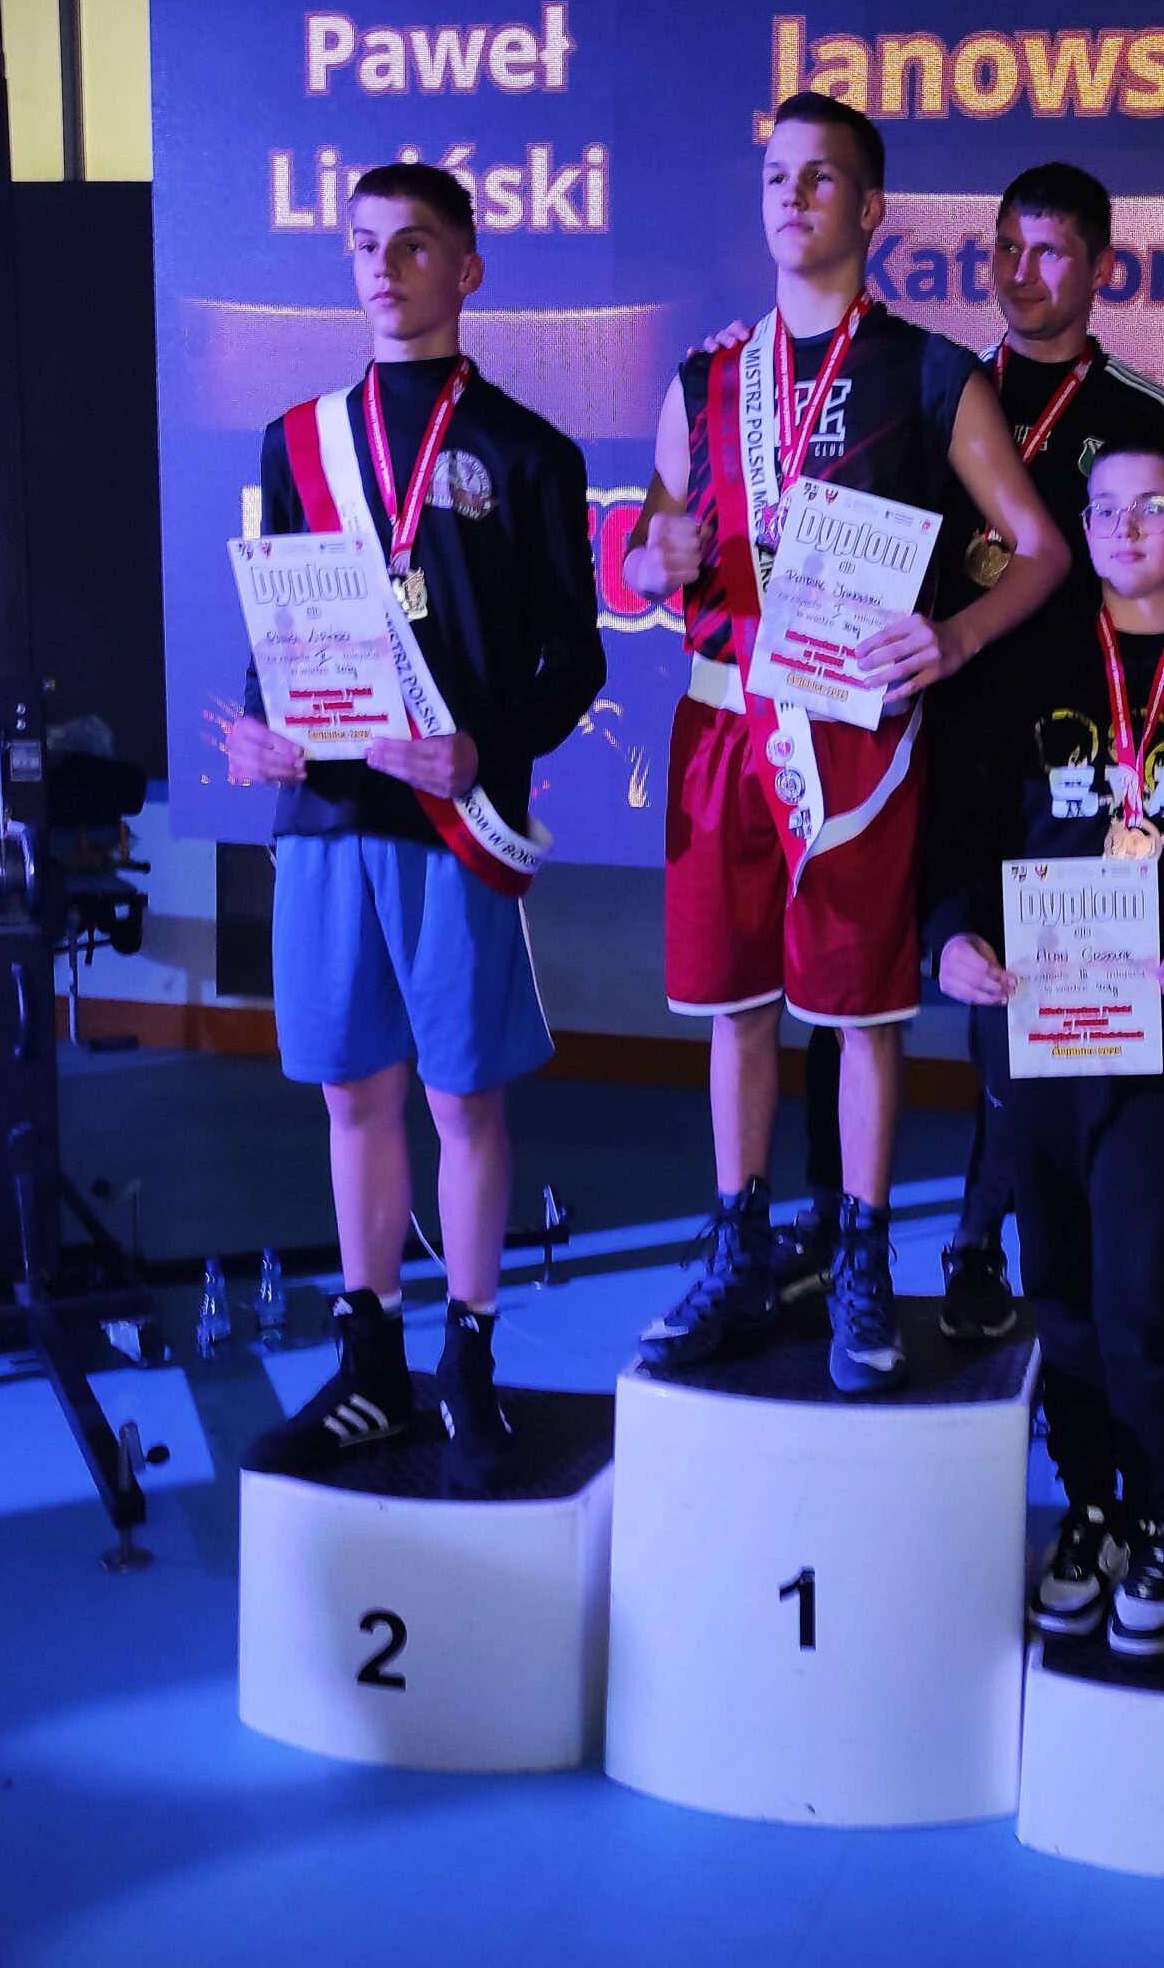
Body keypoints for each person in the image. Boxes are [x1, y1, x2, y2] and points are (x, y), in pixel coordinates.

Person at [622, 94, 1067, 1394]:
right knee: (735, 1009)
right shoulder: (706, 377)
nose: (793, 196)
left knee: (865, 1013)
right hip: (722, 723)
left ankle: (863, 1257)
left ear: (870, 208)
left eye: (820, 178)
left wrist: (957, 637)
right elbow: (642, 552)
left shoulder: (929, 371)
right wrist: (654, 556)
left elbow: (1041, 550)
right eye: (776, 176)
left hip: (853, 739)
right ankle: (738, 1247)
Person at [786, 162, 1164, 1344]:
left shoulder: (1143, 420)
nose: (1020, 273)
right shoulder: (934, 385)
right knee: (854, 987)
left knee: (1023, 1000)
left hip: (1068, 758)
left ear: (1101, 268)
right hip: (901, 729)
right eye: (1004, 248)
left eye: (1048, 252)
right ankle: (835, 1228)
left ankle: (981, 1239)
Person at [220, 162, 605, 1488]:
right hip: (328, 815)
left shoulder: (529, 453)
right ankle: (371, 1361)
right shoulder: (295, 442)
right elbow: (282, 625)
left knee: (461, 1096)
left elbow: (576, 662)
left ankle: (469, 1358)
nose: (383, 269)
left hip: (453, 821)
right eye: (363, 245)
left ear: (468, 268)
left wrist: (483, 748)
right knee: (351, 1091)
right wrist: (263, 728)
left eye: (414, 245)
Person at [927, 435, 1164, 1655]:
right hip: (1036, 1024)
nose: (1126, 528)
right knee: (1058, 1287)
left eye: (1153, 507)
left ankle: (1159, 1517)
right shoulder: (1023, 668)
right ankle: (1087, 1508)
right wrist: (949, 939)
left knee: (1140, 1284)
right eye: (1105, 509)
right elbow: (957, 829)